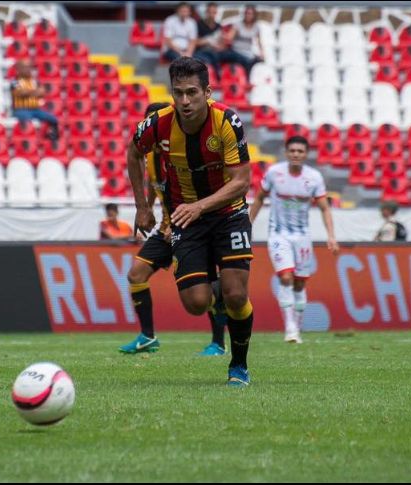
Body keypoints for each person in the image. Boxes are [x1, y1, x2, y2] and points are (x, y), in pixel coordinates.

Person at [128, 57, 255, 387]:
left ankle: (238, 366)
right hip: (188, 220)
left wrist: (200, 206)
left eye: (192, 93)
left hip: (229, 214)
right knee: (197, 304)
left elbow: (242, 181)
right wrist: (142, 207)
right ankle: (221, 288)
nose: (184, 101)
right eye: (178, 93)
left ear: (207, 92)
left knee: (237, 296)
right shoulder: (157, 123)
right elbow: (133, 153)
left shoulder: (227, 121)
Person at [119, 102, 228, 357]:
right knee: (136, 274)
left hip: (194, 228)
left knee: (205, 290)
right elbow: (153, 184)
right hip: (167, 228)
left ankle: (218, 343)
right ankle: (147, 336)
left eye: (153, 125)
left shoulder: (186, 152)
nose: (149, 132)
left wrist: (182, 221)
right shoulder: (150, 158)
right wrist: (145, 210)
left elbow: (199, 190)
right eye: (145, 126)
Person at [249, 136, 340, 345]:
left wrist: (331, 236)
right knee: (286, 278)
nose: (296, 154)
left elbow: (325, 208)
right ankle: (290, 328)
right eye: (292, 151)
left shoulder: (314, 177)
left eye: (300, 151)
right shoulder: (274, 173)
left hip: (302, 237)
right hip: (278, 234)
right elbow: (260, 198)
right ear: (286, 152)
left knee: (299, 283)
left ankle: (296, 327)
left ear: (306, 154)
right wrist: (248, 224)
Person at [10, 60, 59, 140]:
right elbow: (19, 93)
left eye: (29, 68)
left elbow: (42, 92)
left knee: (53, 119)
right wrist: (34, 92)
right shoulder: (15, 82)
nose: (28, 70)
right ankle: (28, 139)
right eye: (25, 68)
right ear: (19, 69)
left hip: (35, 110)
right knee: (27, 122)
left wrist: (27, 92)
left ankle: (51, 138)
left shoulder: (35, 81)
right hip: (21, 109)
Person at [220, 5, 263, 75]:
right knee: (246, 61)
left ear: (254, 15)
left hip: (248, 52)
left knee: (258, 61)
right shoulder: (238, 24)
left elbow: (259, 41)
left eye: (249, 13)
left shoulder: (256, 27)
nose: (247, 15)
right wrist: (221, 34)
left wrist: (262, 53)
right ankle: (245, 79)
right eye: (246, 13)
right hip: (236, 51)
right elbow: (230, 37)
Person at [194, 2, 222, 72]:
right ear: (206, 12)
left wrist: (218, 46)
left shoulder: (218, 26)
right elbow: (195, 42)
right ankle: (217, 75)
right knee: (207, 59)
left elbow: (221, 44)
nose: (211, 15)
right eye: (210, 12)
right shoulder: (199, 24)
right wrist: (208, 41)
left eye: (214, 12)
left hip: (215, 52)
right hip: (200, 51)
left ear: (216, 13)